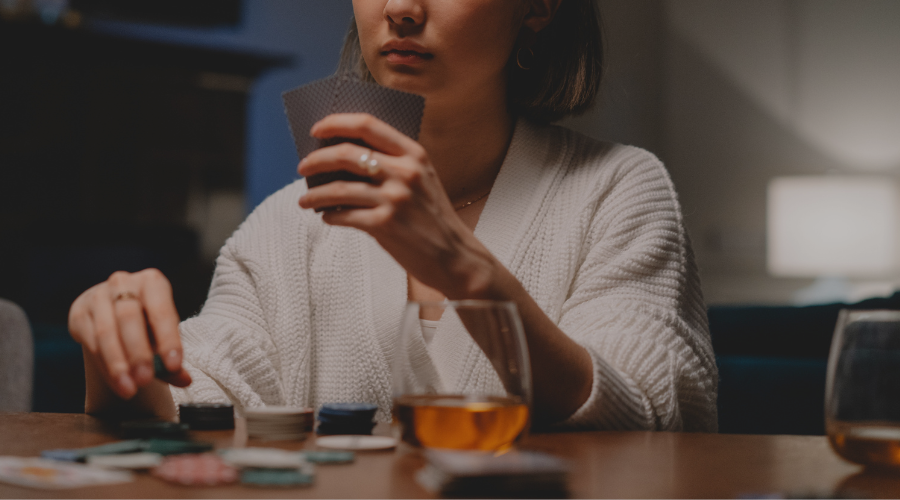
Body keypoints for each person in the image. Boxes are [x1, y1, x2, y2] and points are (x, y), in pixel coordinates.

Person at [68, 0, 717, 431]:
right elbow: (194, 405)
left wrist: (464, 269)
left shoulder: (619, 191)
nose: (401, 8)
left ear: (539, 6)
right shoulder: (289, 225)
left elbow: (653, 422)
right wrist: (118, 351)